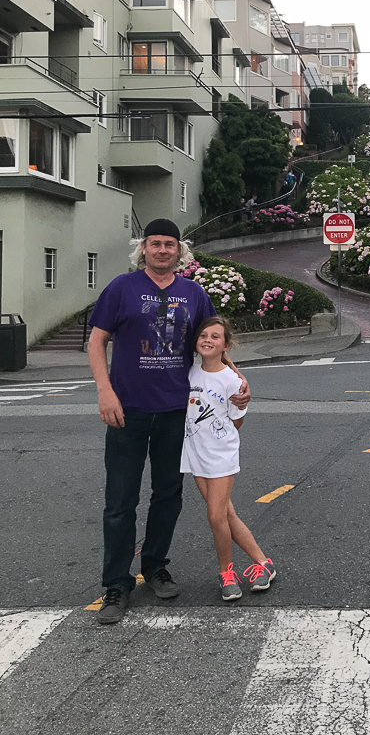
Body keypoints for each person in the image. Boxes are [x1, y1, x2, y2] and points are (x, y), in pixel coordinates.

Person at [88, 218, 251, 625]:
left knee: (168, 495)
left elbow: (214, 341)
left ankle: (155, 567)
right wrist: (105, 391)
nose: (162, 250)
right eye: (155, 243)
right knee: (120, 500)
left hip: (177, 412)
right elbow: (96, 341)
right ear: (143, 249)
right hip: (127, 410)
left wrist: (237, 378)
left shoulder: (193, 293)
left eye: (169, 245)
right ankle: (116, 583)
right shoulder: (121, 288)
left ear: (181, 252)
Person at [181, 316, 275, 601]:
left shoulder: (233, 382)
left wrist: (216, 435)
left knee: (215, 516)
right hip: (195, 454)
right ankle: (264, 563)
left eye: (216, 337)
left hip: (221, 456)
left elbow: (236, 423)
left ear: (226, 345)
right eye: (204, 336)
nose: (208, 340)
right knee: (226, 515)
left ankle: (226, 572)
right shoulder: (190, 373)